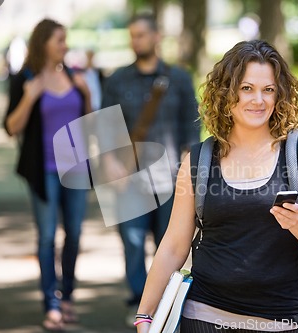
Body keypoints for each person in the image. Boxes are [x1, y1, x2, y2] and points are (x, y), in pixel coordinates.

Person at [134, 40, 298, 333]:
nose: (258, 100)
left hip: (282, 322)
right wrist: (145, 314)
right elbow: (174, 245)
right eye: (246, 88)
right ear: (226, 94)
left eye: (268, 89)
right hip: (204, 318)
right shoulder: (198, 160)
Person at [100, 13, 200, 324]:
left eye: (141, 35)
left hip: (170, 178)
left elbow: (191, 126)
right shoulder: (117, 80)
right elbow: (105, 127)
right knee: (131, 244)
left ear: (156, 37)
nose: (135, 41)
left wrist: (189, 164)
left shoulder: (179, 78)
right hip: (128, 179)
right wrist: (110, 163)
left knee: (168, 245)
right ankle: (138, 302)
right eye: (132, 35)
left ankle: (165, 304)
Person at [2, 18, 92, 331]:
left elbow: (88, 121)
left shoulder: (72, 75)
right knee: (47, 237)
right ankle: (50, 304)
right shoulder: (24, 78)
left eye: (65, 41)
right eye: (59, 41)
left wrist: (87, 95)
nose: (64, 46)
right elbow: (11, 127)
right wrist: (30, 95)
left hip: (76, 169)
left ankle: (66, 297)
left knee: (76, 234)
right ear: (43, 43)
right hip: (45, 171)